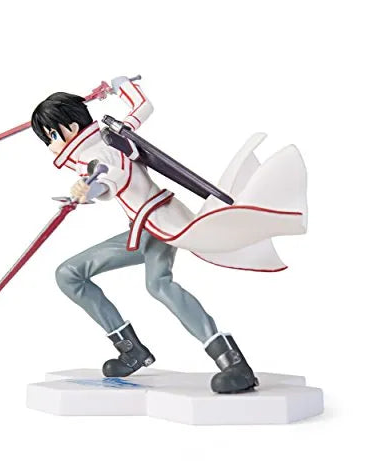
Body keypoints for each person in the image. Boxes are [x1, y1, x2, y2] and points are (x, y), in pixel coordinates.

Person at [30, 76, 307, 393]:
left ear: (70, 128)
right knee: (69, 274)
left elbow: (106, 176)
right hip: (144, 229)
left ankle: (233, 363)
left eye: (52, 135)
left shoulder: (96, 153)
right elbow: (142, 106)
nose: (51, 145)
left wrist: (87, 189)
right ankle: (131, 350)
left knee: (158, 285)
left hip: (159, 225)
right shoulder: (111, 134)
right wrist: (120, 86)